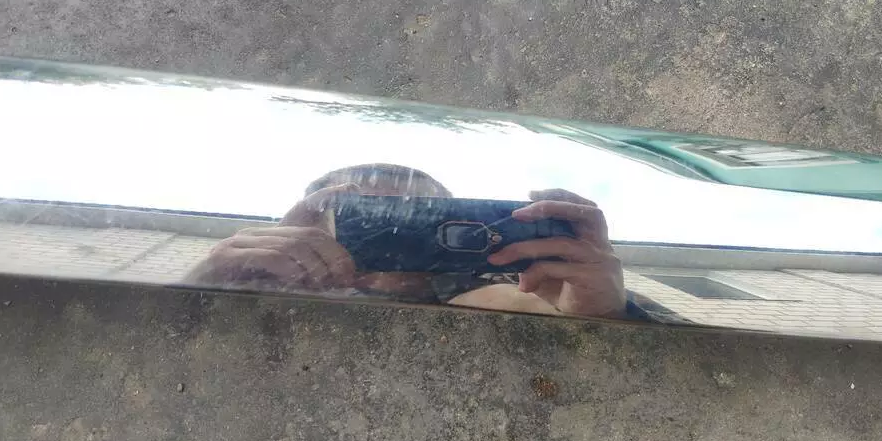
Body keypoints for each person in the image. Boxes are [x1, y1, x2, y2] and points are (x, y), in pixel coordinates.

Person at [185, 163, 628, 319]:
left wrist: (595, 314)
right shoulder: (271, 287)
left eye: (421, 221)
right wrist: (213, 280)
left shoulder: (499, 292)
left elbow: (511, 304)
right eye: (364, 220)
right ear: (302, 231)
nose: (394, 239)